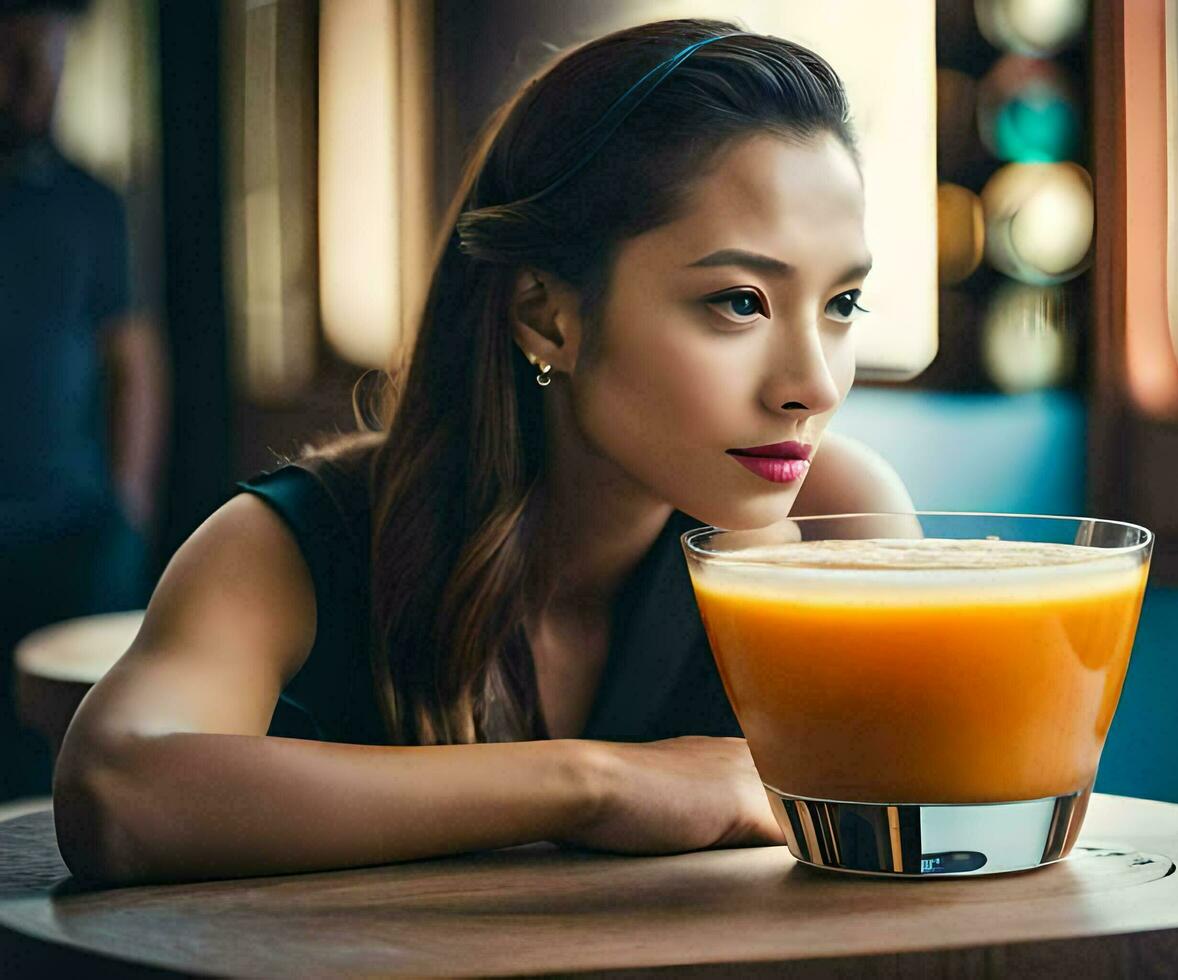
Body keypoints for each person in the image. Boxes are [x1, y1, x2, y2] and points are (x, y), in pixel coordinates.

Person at [54, 17, 914, 885]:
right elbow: (114, 795)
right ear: (547, 316)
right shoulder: (300, 542)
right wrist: (594, 785)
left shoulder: (838, 519)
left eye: (843, 303)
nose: (815, 384)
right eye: (739, 302)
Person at [0, 0, 170, 801]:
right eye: (15, 60)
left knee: (73, 760)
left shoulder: (91, 204)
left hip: (70, 523)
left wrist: (128, 505)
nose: (32, 85)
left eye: (48, 62)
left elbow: (133, 359)